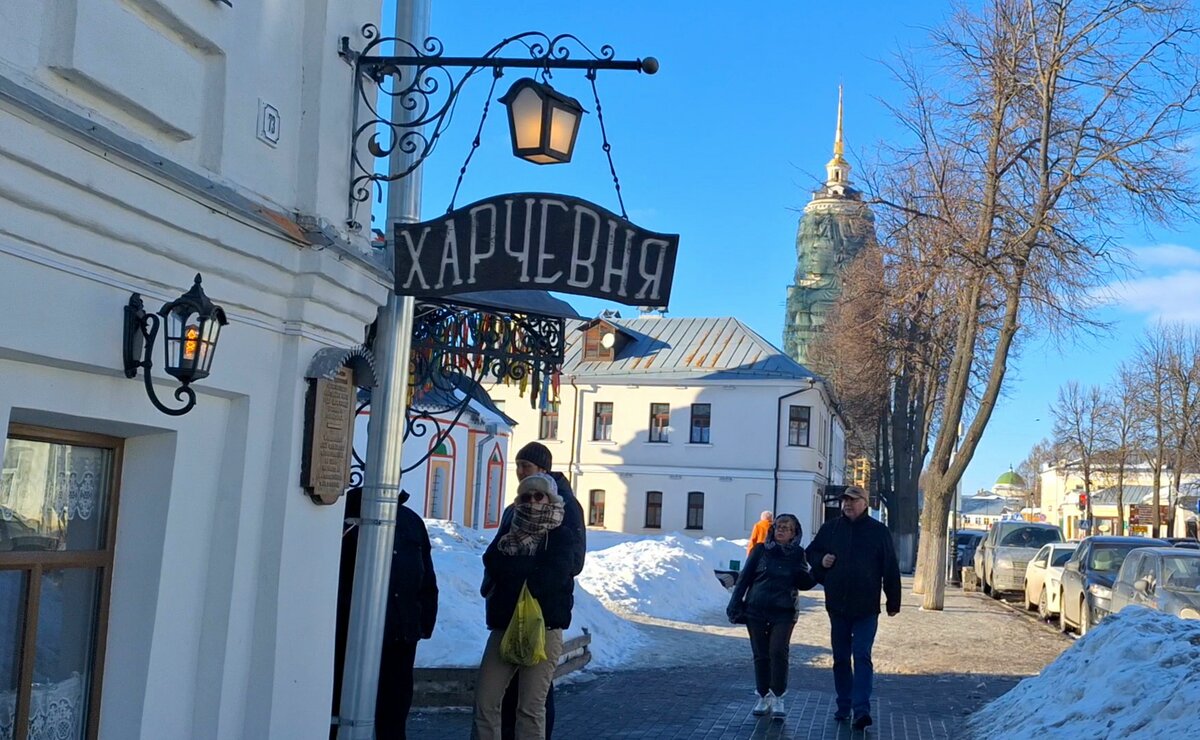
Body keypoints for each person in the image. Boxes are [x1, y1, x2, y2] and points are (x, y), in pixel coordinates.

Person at [473, 465, 584, 740]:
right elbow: (492, 563)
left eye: (539, 496)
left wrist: (518, 571)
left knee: (531, 709)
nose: (533, 501)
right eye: (527, 496)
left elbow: (550, 579)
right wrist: (524, 571)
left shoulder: (560, 535)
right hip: (504, 627)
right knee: (486, 702)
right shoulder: (509, 530)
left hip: (544, 629)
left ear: (551, 500)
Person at [332, 487, 437, 740]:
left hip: (401, 633)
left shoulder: (410, 521)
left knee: (393, 713)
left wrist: (423, 620)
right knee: (343, 708)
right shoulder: (347, 516)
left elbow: (426, 575)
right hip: (351, 635)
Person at [806, 485, 901, 731]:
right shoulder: (831, 529)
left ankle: (861, 710)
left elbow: (890, 567)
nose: (847, 504)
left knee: (861, 655)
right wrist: (822, 560)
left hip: (866, 607)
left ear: (864, 503)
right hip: (837, 605)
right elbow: (811, 552)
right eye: (844, 500)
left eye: (853, 500)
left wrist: (893, 601)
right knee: (840, 658)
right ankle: (843, 704)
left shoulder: (878, 532)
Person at [726, 513, 816, 719]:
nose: (781, 530)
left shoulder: (797, 554)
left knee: (777, 651)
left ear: (794, 533)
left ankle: (778, 696)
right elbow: (745, 579)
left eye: (786, 528)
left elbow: (803, 582)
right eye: (778, 526)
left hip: (784, 611)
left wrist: (819, 571)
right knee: (760, 653)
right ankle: (763, 695)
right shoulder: (760, 551)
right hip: (756, 609)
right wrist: (734, 604)